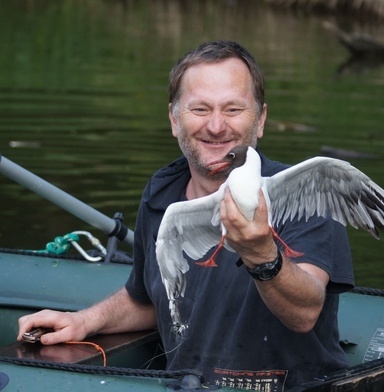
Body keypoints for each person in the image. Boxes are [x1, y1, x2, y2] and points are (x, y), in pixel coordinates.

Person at [17, 41, 354, 390]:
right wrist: (85, 321)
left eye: (234, 109)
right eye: (200, 109)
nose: (216, 126)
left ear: (262, 119)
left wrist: (261, 253)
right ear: (175, 121)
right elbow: (150, 298)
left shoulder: (307, 194)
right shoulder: (163, 193)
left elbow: (304, 313)